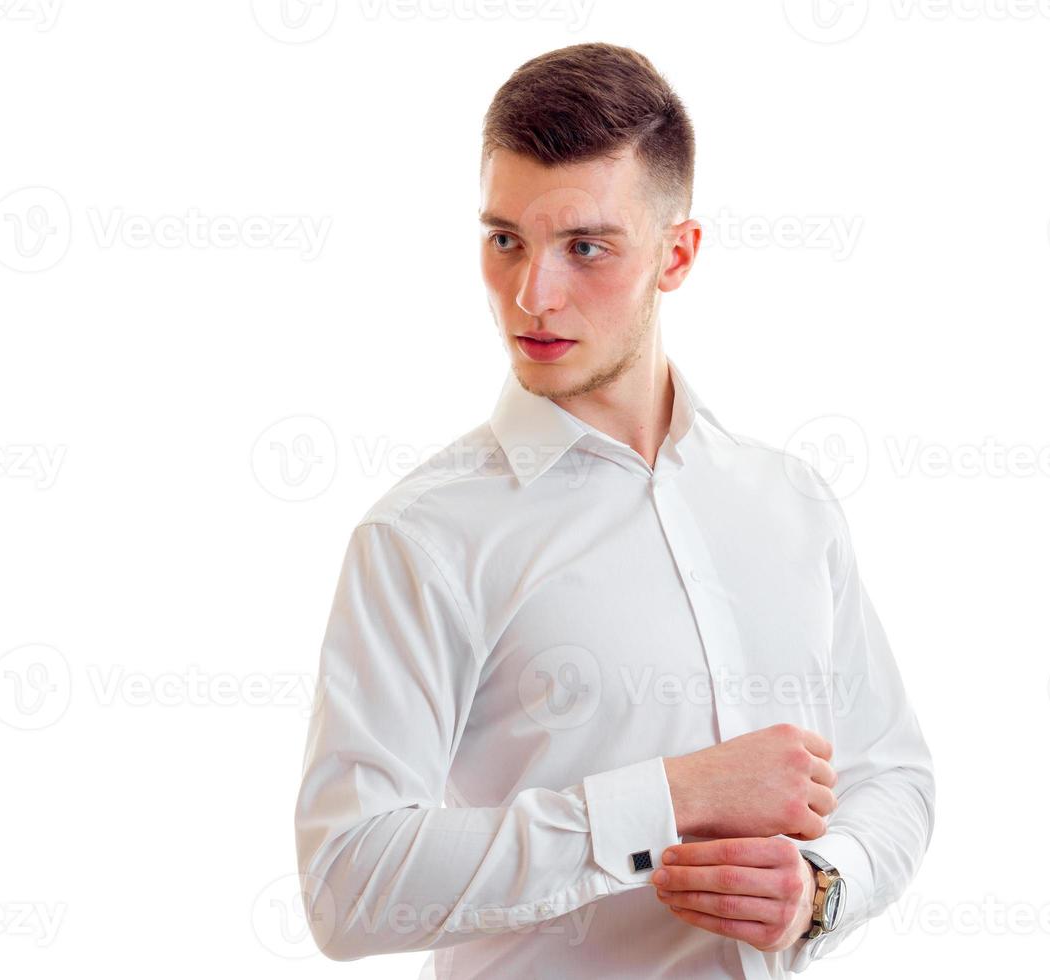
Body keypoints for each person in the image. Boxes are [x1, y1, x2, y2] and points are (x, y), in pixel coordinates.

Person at [293, 41, 934, 979]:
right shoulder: (424, 537)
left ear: (677, 255)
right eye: (505, 238)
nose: (531, 296)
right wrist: (668, 799)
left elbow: (893, 777)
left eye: (584, 247)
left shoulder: (789, 502)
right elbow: (347, 887)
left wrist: (822, 888)